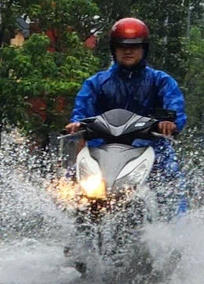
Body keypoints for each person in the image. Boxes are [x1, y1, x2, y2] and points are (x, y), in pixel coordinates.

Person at [66, 17, 187, 182]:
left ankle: (179, 209)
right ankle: (57, 208)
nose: (128, 51)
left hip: (149, 147)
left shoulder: (161, 81)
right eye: (122, 46)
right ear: (113, 49)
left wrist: (170, 122)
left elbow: (175, 105)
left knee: (172, 180)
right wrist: (76, 124)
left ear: (144, 49)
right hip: (101, 148)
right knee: (69, 183)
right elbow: (82, 107)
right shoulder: (97, 83)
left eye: (134, 46)